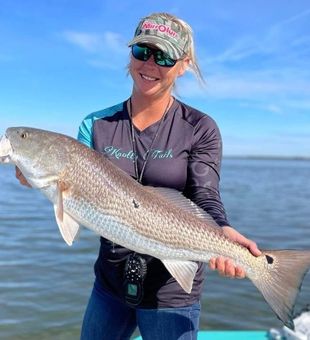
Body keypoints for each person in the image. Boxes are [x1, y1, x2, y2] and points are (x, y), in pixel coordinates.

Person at [16, 12, 261, 340]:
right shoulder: (95, 125)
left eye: (164, 56)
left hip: (171, 293)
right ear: (130, 55)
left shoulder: (200, 128)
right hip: (110, 283)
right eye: (142, 51)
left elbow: (205, 193)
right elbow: (71, 184)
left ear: (184, 64)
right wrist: (32, 175)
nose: (150, 64)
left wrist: (222, 231)